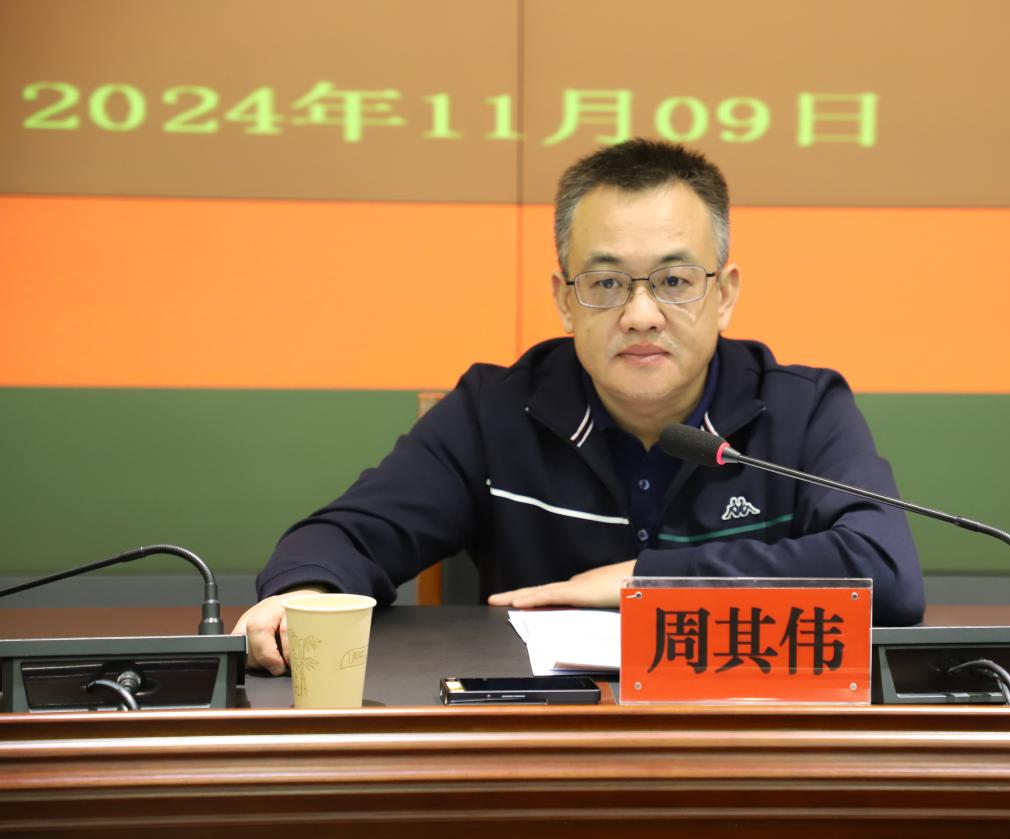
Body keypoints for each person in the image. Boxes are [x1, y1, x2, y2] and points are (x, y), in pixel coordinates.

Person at [233, 139, 925, 674]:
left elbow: (886, 575)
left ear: (726, 294)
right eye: (606, 282)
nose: (641, 314)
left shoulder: (801, 409)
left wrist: (644, 581)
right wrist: (307, 592)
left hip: (750, 743)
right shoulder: (496, 411)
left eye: (675, 280)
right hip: (536, 748)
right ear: (564, 300)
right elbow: (348, 535)